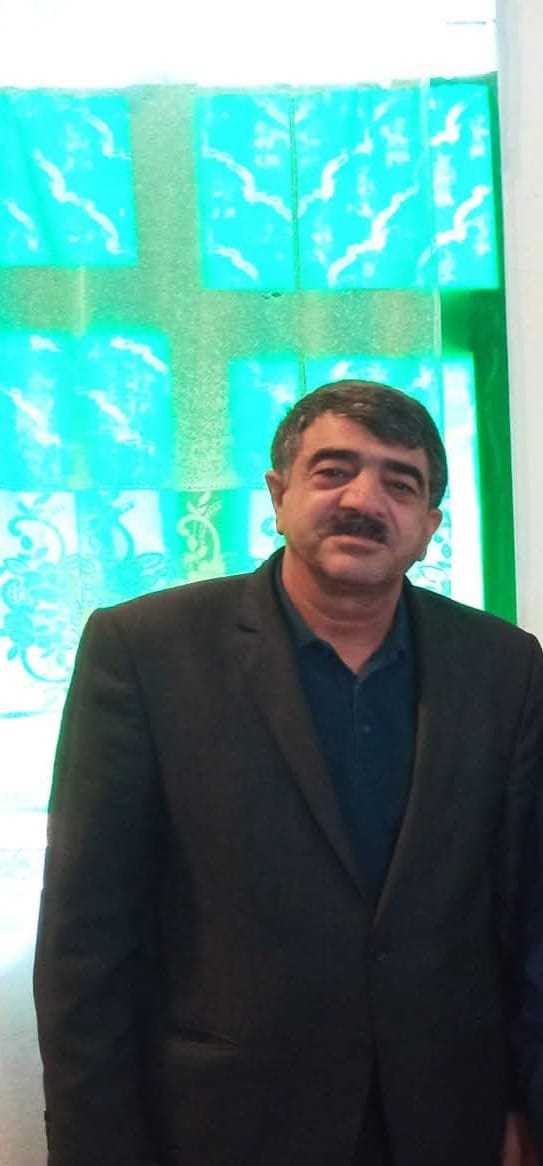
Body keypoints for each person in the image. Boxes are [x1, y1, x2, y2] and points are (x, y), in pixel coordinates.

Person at [34, 379, 543, 1166]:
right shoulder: (145, 651)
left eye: (400, 483)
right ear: (278, 494)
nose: (363, 500)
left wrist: (527, 1111)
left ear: (429, 526)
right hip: (226, 1126)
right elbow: (86, 940)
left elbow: (526, 919)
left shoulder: (503, 666)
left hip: (446, 1121)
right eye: (333, 471)